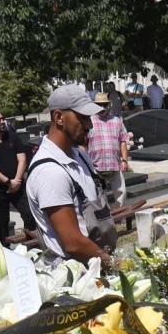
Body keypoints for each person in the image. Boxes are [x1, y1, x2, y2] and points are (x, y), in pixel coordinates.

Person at [26, 84, 117, 267]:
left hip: (96, 265)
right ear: (59, 117)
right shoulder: (51, 172)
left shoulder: (80, 155)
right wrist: (116, 266)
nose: (89, 125)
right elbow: (73, 243)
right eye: (82, 118)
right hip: (74, 277)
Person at [0, 106, 36, 245]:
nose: (2, 121)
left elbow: (22, 160)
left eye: (3, 118)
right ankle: (5, 249)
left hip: (18, 185)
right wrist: (7, 182)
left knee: (29, 215)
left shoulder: (13, 137)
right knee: (2, 219)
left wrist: (16, 181)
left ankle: (32, 247)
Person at [86, 93, 132, 208]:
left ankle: (120, 217)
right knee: (98, 196)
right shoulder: (88, 122)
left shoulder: (117, 121)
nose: (102, 107)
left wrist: (124, 160)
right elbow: (82, 143)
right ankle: (104, 220)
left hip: (114, 165)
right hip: (95, 166)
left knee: (121, 193)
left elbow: (123, 140)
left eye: (105, 105)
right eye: (99, 105)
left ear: (109, 105)